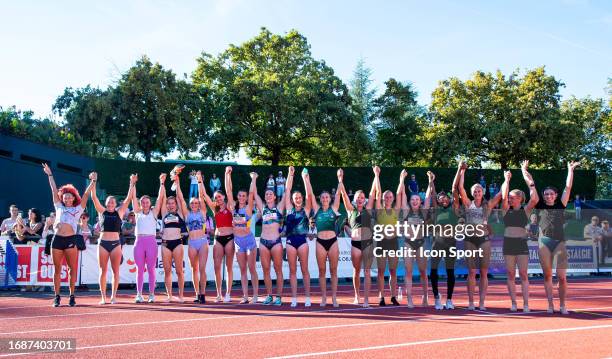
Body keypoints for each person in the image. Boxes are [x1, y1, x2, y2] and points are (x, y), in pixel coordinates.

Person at [42, 163, 95, 307]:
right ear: (62, 198)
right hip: (57, 239)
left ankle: (72, 296)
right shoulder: (58, 206)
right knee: (57, 270)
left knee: (72, 269)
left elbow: (85, 194)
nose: (67, 199)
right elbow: (53, 189)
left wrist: (93, 181)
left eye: (69, 197)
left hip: (71, 240)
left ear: (73, 198)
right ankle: (57, 297)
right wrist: (50, 175)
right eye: (65, 197)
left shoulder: (78, 209)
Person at [458, 160, 505, 310]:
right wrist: (462, 171)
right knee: (472, 271)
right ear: (472, 193)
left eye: (479, 190)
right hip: (470, 240)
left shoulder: (488, 205)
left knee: (484, 272)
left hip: (484, 240)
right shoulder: (467, 204)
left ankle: (482, 302)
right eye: (475, 191)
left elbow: (500, 194)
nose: (477, 192)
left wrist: (507, 179)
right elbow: (460, 188)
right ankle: (471, 302)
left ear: (483, 192)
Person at [536, 161, 580, 314]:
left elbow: (567, 188)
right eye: (546, 194)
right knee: (547, 275)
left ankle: (562, 305)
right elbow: (531, 189)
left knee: (561, 277)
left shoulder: (561, 204)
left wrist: (570, 170)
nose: (548, 196)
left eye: (551, 194)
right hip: (544, 242)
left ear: (555, 195)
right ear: (544, 196)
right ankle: (550, 305)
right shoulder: (539, 205)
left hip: (559, 242)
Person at [91, 173, 135, 305]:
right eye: (108, 202)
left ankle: (114, 296)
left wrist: (131, 183)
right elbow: (93, 197)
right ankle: (103, 297)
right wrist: (93, 181)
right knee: (102, 270)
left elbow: (128, 199)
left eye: (112, 202)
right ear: (106, 203)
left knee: (116, 271)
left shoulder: (119, 212)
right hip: (103, 243)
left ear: (115, 204)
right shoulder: (101, 211)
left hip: (116, 244)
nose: (110, 203)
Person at [501, 161, 539, 313]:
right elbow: (503, 195)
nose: (510, 199)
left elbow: (535, 198)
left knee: (523, 274)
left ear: (520, 199)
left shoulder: (526, 210)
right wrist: (507, 180)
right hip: (508, 243)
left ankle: (526, 304)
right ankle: (513, 303)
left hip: (521, 244)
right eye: (509, 197)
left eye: (513, 197)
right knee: (510, 274)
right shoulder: (505, 209)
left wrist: (525, 173)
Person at [338, 166, 377, 307]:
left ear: (364, 200)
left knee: (367, 272)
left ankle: (366, 299)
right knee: (356, 271)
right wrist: (340, 179)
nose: (360, 199)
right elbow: (343, 195)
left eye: (362, 197)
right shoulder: (350, 210)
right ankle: (357, 296)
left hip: (367, 243)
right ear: (354, 199)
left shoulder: (368, 209)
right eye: (357, 198)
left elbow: (373, 193)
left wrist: (376, 175)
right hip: (355, 243)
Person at [303, 168, 342, 307]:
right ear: (321, 199)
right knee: (322, 271)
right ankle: (324, 297)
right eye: (323, 197)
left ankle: (334, 297)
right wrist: (306, 179)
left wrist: (340, 179)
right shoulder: (317, 208)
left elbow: (338, 194)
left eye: (327, 197)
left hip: (333, 242)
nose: (325, 199)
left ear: (329, 199)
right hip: (320, 242)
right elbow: (310, 194)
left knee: (333, 271)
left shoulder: (334, 208)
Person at [175, 171, 212, 304]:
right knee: (194, 269)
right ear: (190, 205)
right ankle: (197, 293)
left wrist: (200, 181)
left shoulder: (203, 212)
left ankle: (203, 294)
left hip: (202, 242)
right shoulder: (187, 214)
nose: (195, 205)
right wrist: (177, 182)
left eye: (196, 203)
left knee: (202, 268)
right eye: (193, 203)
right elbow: (180, 198)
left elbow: (202, 196)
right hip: (192, 242)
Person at [429, 166, 462, 310]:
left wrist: (459, 170)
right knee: (434, 270)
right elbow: (432, 194)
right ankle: (436, 298)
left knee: (450, 271)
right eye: (440, 198)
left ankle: (449, 299)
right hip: (437, 243)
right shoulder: (436, 211)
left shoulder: (453, 209)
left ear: (449, 199)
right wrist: (431, 181)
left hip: (450, 243)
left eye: (445, 197)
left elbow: (455, 190)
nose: (442, 199)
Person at [200, 166, 235, 302]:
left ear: (224, 197)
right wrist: (200, 181)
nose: (218, 199)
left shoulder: (231, 206)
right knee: (217, 266)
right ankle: (219, 294)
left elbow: (230, 190)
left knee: (229, 266)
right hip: (218, 238)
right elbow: (204, 195)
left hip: (230, 238)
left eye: (220, 197)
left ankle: (228, 293)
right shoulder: (214, 209)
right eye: (216, 197)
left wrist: (227, 175)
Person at [254, 169, 288, 306]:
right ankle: (269, 295)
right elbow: (254, 194)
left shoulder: (279, 208)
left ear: (274, 197)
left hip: (276, 242)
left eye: (270, 194)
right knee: (266, 270)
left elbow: (286, 194)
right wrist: (254, 179)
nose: (268, 195)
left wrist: (290, 176)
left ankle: (278, 296)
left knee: (278, 269)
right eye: (266, 194)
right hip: (263, 242)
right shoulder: (262, 208)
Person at [400, 170, 434, 308]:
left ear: (420, 202)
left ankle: (425, 297)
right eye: (412, 200)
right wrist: (402, 179)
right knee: (408, 271)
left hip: (420, 243)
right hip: (408, 243)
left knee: (422, 272)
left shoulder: (423, 211)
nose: (415, 201)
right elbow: (401, 194)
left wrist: (430, 180)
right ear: (410, 201)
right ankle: (409, 299)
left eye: (417, 200)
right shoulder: (406, 211)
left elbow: (428, 195)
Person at [226, 168, 258, 304]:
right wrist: (227, 174)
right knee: (243, 270)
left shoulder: (249, 208)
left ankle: (255, 295)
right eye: (239, 195)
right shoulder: (233, 208)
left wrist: (253, 179)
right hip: (238, 242)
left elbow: (252, 194)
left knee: (251, 269)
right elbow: (228, 191)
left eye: (243, 196)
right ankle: (245, 296)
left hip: (249, 240)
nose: (241, 197)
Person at [131, 173, 165, 303]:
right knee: (139, 270)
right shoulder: (137, 212)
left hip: (151, 242)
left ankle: (151, 294)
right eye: (143, 202)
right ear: (140, 204)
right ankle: (139, 294)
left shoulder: (154, 212)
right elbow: (133, 197)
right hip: (139, 242)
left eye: (147, 202)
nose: (145, 204)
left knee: (151, 269)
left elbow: (160, 197)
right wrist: (133, 183)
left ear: (150, 203)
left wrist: (161, 182)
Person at [373, 168, 403, 307]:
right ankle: (381, 297)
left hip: (393, 242)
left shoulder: (396, 210)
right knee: (380, 271)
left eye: (390, 197)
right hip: (381, 242)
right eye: (386, 197)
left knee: (393, 271)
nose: (388, 198)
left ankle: (393, 296)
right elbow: (378, 193)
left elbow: (399, 192)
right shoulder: (380, 209)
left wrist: (402, 178)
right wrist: (377, 175)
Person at [284, 166, 313, 307]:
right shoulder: (289, 209)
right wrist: (290, 175)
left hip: (302, 241)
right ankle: (294, 298)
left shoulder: (306, 210)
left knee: (305, 270)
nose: (298, 199)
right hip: (290, 241)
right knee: (293, 270)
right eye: (296, 198)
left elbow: (309, 195)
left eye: (299, 197)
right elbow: (287, 190)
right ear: (292, 199)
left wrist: (305, 178)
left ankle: (307, 297)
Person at [159, 173, 188, 303]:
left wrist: (177, 182)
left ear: (176, 205)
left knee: (179, 271)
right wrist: (162, 182)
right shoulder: (164, 213)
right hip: (165, 243)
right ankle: (169, 295)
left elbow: (181, 199)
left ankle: (181, 295)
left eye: (172, 203)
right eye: (169, 203)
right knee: (167, 271)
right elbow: (162, 197)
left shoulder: (180, 213)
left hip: (177, 243)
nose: (171, 205)